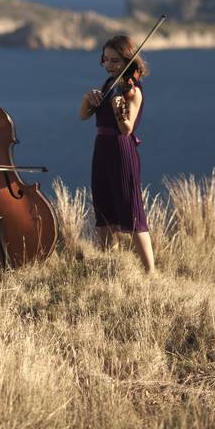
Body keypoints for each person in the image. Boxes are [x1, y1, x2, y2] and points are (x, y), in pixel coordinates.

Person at [79, 35, 155, 273]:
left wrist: (119, 111)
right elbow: (84, 116)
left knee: (131, 212)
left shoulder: (134, 90)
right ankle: (108, 266)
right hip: (101, 149)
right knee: (104, 212)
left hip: (121, 150)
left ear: (128, 61)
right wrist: (87, 99)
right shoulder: (107, 86)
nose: (110, 65)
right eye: (106, 60)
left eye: (115, 61)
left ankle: (150, 272)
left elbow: (126, 128)